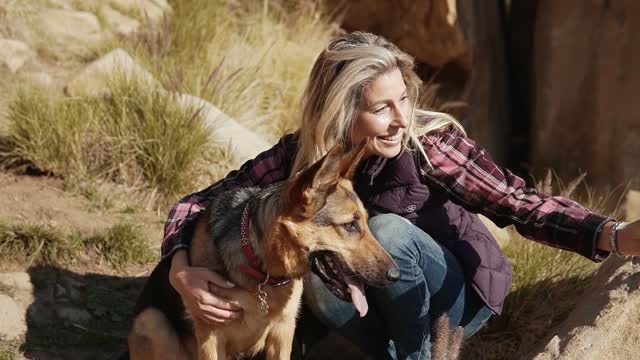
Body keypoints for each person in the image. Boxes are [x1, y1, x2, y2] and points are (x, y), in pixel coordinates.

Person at [160, 31, 640, 360]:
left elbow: (517, 200)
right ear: (342, 111)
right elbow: (195, 204)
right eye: (382, 107)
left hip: (452, 298)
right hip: (371, 298)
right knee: (314, 260)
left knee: (386, 230)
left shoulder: (429, 144)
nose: (401, 117)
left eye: (405, 98)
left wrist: (614, 235)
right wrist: (183, 272)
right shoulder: (300, 158)